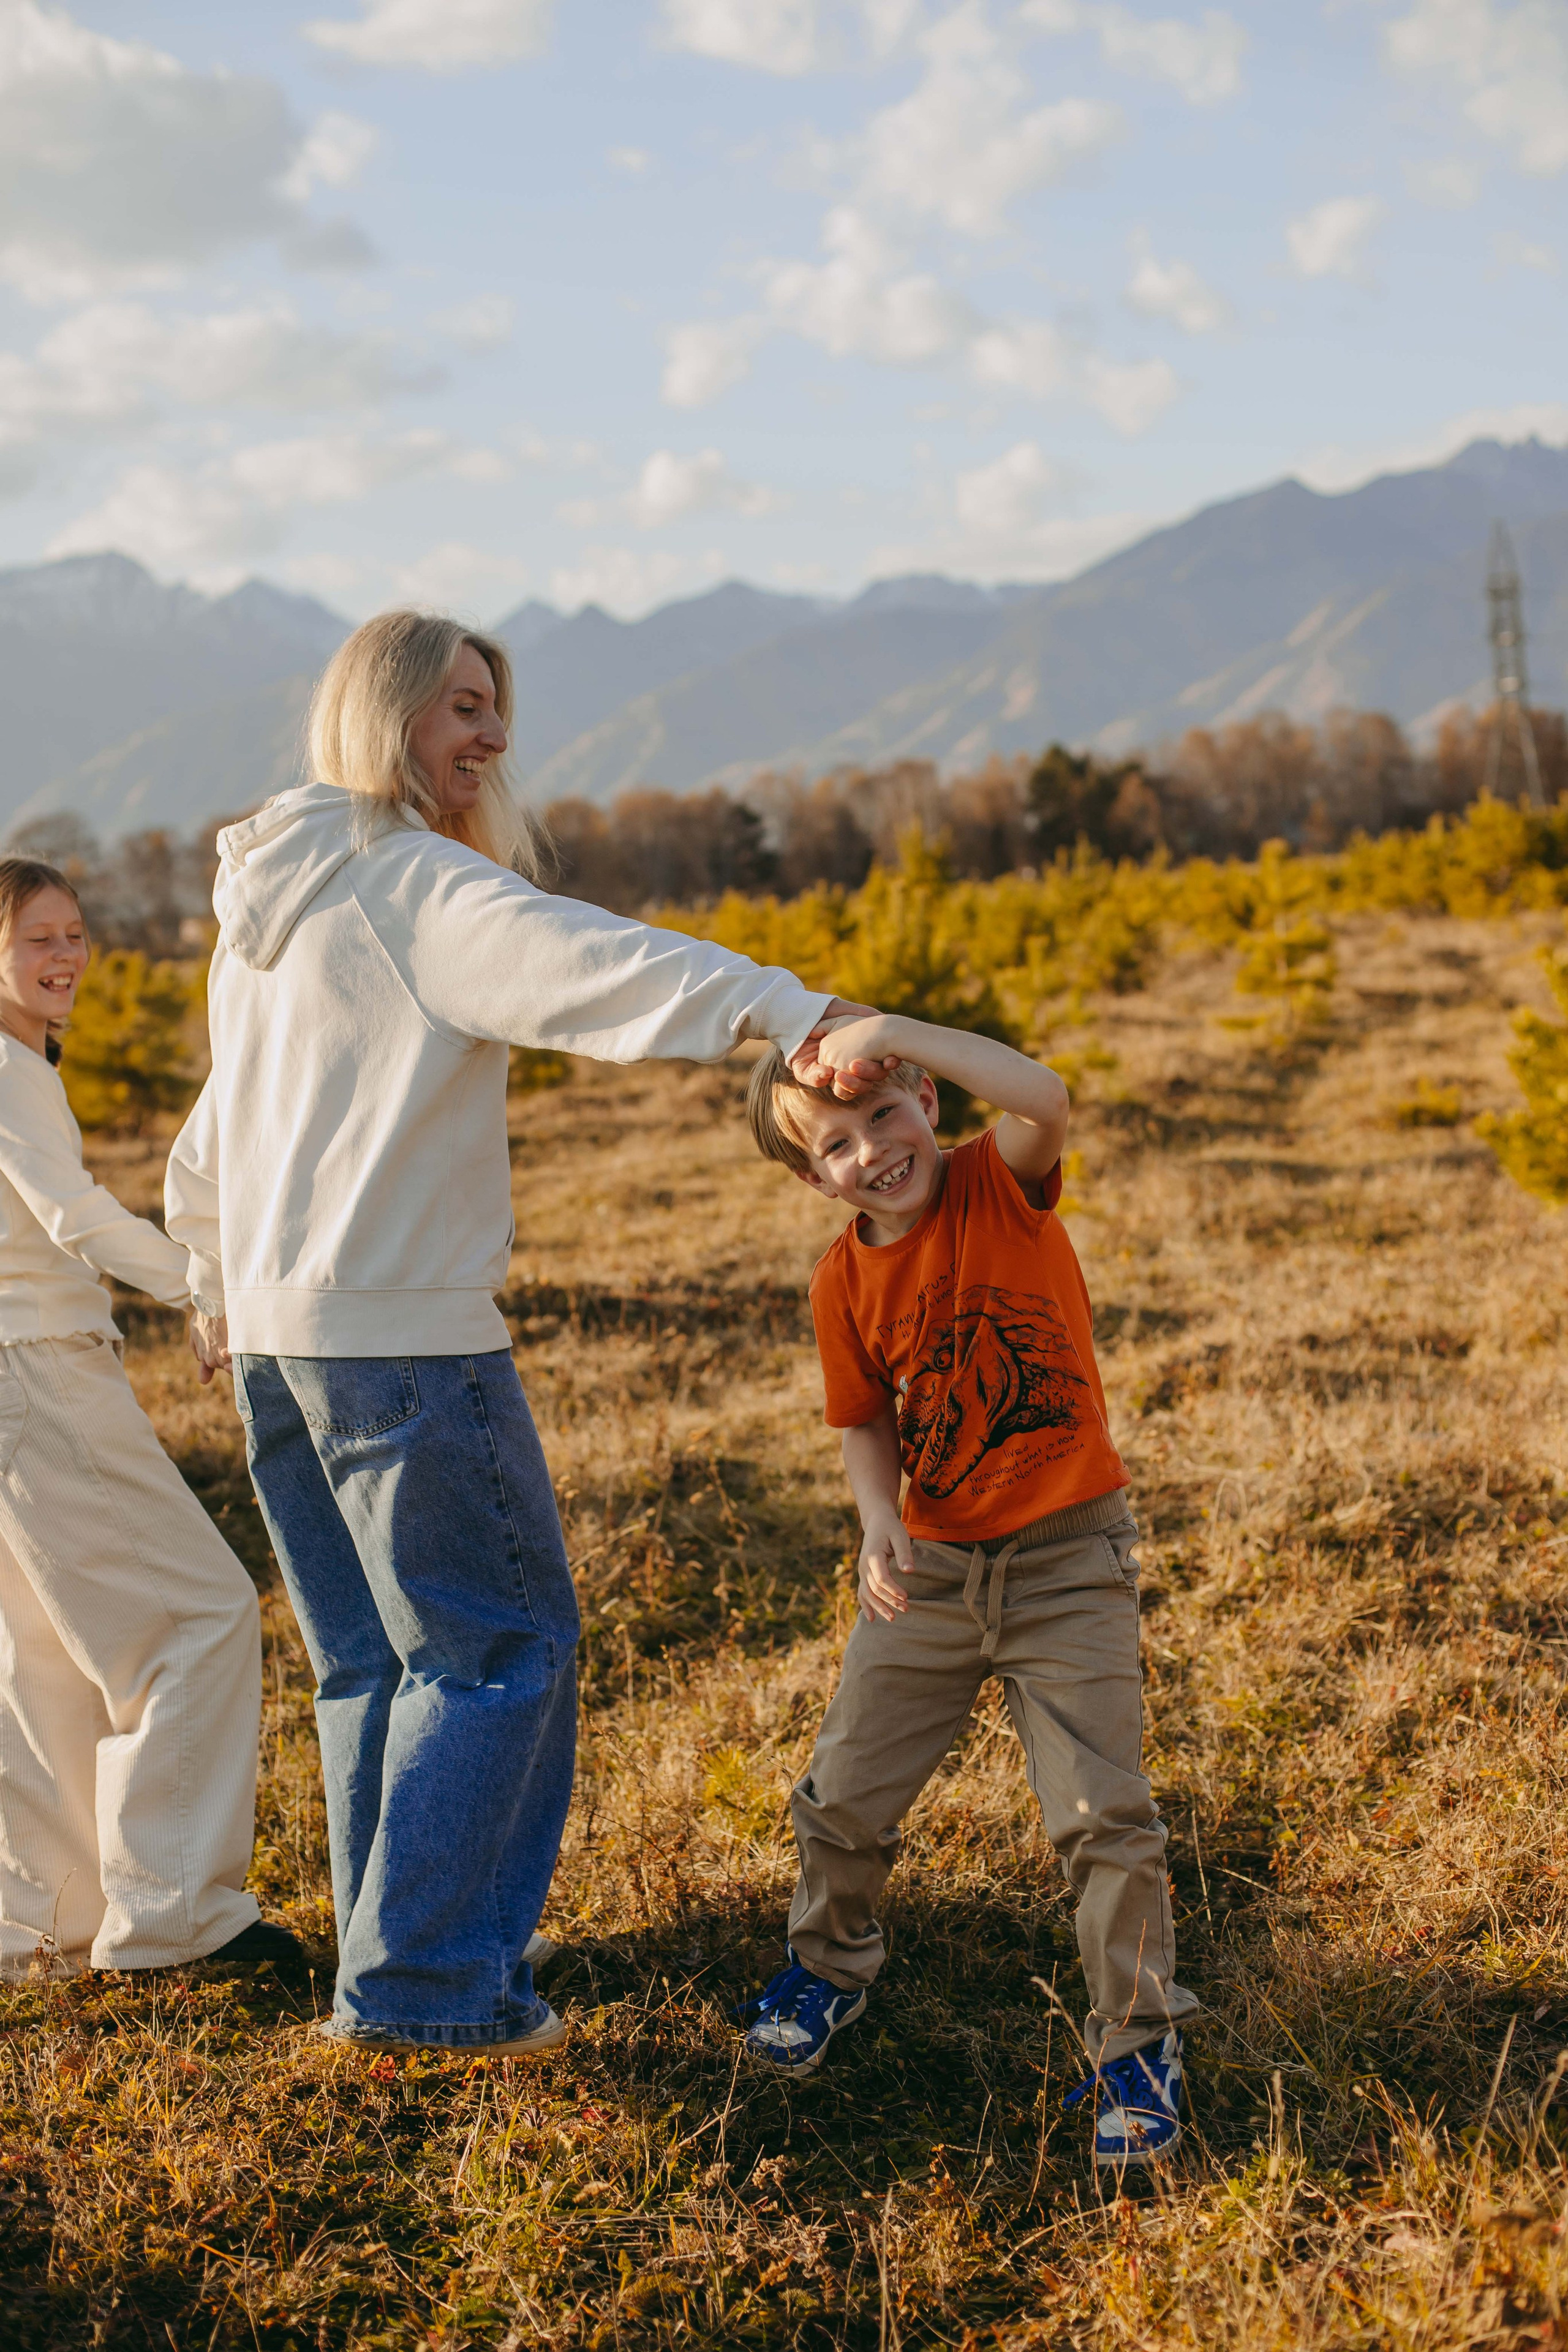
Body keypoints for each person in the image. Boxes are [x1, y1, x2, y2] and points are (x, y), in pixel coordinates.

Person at [164, 609, 870, 2057]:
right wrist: (784, 1010)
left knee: (373, 1663)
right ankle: (429, 1986)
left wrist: (210, 1282)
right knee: (498, 1651)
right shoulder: (406, 883)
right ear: (389, 714)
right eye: (465, 709)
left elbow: (212, 1132)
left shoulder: (269, 906)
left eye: (498, 712)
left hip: (282, 1340)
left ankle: (401, 1942)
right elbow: (589, 964)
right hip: (402, 1339)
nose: (491, 739)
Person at [737, 1014, 1197, 2173]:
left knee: (1103, 1814)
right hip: (930, 1576)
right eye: (835, 1145)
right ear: (810, 1179)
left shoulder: (1001, 1184)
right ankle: (830, 1963)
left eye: (884, 1112)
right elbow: (861, 1419)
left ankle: (1137, 2042)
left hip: (1066, 1563)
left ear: (928, 1105)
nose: (870, 1152)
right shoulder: (841, 1279)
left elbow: (1046, 1094)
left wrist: (888, 1033)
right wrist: (877, 1518)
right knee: (842, 1791)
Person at [0, 858, 296, 1980]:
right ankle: (176, 1924)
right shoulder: (10, 1066)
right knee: (201, 1616)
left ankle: (44, 1928)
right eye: (38, 938)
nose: (67, 956)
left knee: (42, 1661)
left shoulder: (20, 1061)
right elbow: (73, 1217)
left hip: (11, 1377)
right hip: (36, 1372)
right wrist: (207, 1284)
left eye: (76, 933)